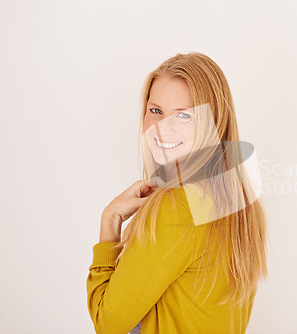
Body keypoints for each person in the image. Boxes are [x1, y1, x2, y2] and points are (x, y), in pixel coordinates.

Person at [86, 52, 269, 334]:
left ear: (214, 121)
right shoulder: (239, 198)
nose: (161, 129)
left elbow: (108, 323)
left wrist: (109, 220)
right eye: (155, 111)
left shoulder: (178, 206)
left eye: (184, 115)